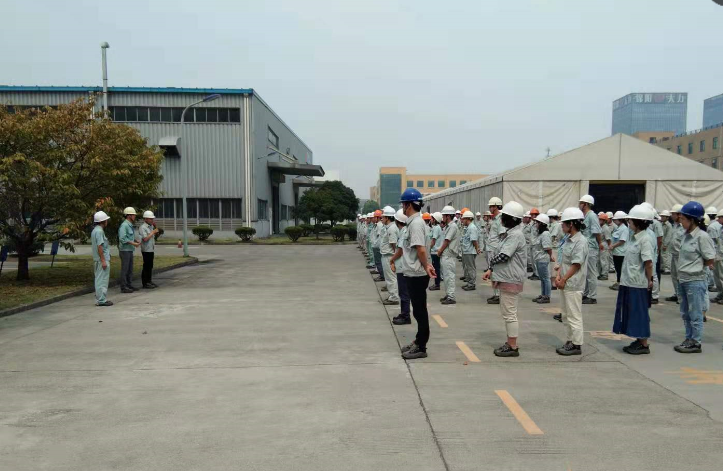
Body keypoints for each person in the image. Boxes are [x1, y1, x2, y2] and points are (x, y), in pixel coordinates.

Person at [390, 189, 436, 359]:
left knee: (419, 311)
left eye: (403, 204)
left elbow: (421, 250)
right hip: (414, 273)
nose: (402, 206)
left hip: (417, 274)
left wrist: (425, 266)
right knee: (417, 310)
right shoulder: (414, 223)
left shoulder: (416, 224)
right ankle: (418, 341)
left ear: (408, 205)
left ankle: (421, 346)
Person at [482, 201, 526, 357]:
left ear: (511, 219)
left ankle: (512, 346)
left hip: (510, 278)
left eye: (504, 217)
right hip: (506, 277)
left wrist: (491, 263)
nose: (501, 219)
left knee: (510, 314)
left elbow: (503, 256)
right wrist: (491, 269)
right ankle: (510, 343)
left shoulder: (515, 235)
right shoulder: (510, 233)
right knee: (508, 312)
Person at [613, 205, 655, 355]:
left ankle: (644, 344)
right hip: (628, 281)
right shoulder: (633, 237)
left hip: (638, 283)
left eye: (630, 221)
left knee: (639, 313)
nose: (628, 223)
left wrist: (650, 280)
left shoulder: (645, 239)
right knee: (632, 313)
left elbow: (648, 262)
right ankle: (638, 340)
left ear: (638, 222)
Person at [674, 201, 716, 354]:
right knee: (685, 312)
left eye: (683, 219)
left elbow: (710, 259)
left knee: (695, 313)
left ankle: (696, 342)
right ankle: (688, 338)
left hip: (695, 280)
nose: (681, 221)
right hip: (683, 279)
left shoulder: (702, 237)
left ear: (692, 220)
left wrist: (695, 267)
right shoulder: (686, 235)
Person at [555, 208, 588, 355]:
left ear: (572, 224)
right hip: (565, 282)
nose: (562, 226)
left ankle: (576, 344)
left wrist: (564, 279)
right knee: (565, 315)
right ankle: (569, 340)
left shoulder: (581, 241)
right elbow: (564, 260)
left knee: (574, 315)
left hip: (573, 284)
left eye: (564, 223)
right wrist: (558, 276)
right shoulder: (568, 239)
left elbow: (576, 264)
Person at [579, 195, 602, 304]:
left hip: (591, 247)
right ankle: (586, 293)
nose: (579, 205)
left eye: (581, 203)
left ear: (586, 204)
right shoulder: (584, 216)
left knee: (591, 273)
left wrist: (600, 243)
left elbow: (597, 232)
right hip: (585, 246)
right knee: (586, 272)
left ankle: (592, 296)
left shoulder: (592, 216)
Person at [390, 210, 411, 325]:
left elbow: (400, 250)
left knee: (404, 293)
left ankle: (406, 316)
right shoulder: (404, 231)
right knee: (403, 292)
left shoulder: (403, 232)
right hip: (402, 266)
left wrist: (392, 259)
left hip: (403, 267)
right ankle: (403, 313)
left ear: (398, 221)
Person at [438, 205, 460, 304]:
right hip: (446, 255)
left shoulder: (452, 226)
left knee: (449, 276)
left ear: (448, 216)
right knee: (446, 276)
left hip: (449, 255)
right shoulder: (449, 226)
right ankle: (448, 294)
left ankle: (451, 297)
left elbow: (447, 241)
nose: (442, 217)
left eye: (444, 216)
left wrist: (439, 251)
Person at [379, 206, 400, 306]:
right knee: (389, 277)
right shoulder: (388, 227)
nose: (381, 219)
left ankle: (394, 297)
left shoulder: (391, 228)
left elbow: (394, 245)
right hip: (386, 255)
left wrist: (394, 259)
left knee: (391, 278)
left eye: (383, 217)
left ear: (387, 218)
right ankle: (392, 295)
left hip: (389, 256)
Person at [91, 211, 113, 307]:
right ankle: (101, 300)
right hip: (101, 260)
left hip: (98, 259)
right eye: (106, 220)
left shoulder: (95, 230)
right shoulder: (99, 231)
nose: (107, 221)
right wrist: (103, 260)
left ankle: (100, 298)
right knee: (102, 280)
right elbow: (100, 246)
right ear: (102, 221)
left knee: (99, 279)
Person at [531, 213, 553, 303]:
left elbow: (548, 248)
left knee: (546, 278)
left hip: (543, 258)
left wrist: (551, 256)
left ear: (542, 223)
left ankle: (547, 296)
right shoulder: (540, 233)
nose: (536, 224)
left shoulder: (545, 234)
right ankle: (543, 294)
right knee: (542, 278)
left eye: (537, 222)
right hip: (539, 258)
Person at [665, 204, 685, 303]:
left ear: (679, 215)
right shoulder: (674, 225)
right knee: (674, 276)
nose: (672, 216)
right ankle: (677, 294)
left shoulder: (684, 227)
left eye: (673, 214)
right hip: (673, 254)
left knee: (680, 276)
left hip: (681, 256)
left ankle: (682, 297)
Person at [118, 207, 141, 293]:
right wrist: (133, 243)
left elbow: (129, 236)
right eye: (133, 215)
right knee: (125, 269)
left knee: (130, 269)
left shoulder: (129, 225)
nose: (134, 216)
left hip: (129, 250)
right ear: (128, 216)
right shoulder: (124, 225)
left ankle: (129, 285)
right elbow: (122, 238)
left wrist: (135, 240)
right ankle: (124, 287)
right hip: (124, 250)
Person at [486, 197, 504, 304]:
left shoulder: (500, 219)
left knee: (496, 272)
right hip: (491, 248)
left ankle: (498, 295)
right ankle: (495, 293)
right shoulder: (494, 219)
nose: (490, 208)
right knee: (492, 273)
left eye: (492, 206)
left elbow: (502, 235)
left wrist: (498, 250)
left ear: (496, 206)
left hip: (495, 249)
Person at [461, 210, 481, 291]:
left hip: (470, 251)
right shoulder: (468, 227)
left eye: (464, 219)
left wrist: (477, 249)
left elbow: (474, 240)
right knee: (469, 268)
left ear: (468, 219)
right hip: (467, 250)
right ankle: (469, 282)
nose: (462, 221)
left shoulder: (472, 228)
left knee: (471, 268)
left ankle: (472, 284)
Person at [139, 210, 159, 289]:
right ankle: (145, 282)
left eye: (152, 219)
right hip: (146, 250)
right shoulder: (143, 227)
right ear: (146, 219)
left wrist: (155, 229)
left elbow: (154, 236)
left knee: (150, 266)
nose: (152, 220)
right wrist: (152, 232)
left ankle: (149, 281)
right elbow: (145, 239)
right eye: (150, 219)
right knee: (146, 266)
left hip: (151, 249)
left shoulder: (151, 226)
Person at [706, 207, 723, 302]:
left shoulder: (715, 227)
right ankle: (720, 294)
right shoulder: (720, 228)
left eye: (720, 217)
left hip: (721, 255)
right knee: (717, 276)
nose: (718, 219)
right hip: (719, 254)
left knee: (722, 276)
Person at [609, 211, 629, 291]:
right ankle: (618, 282)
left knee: (620, 269)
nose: (614, 221)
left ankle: (621, 283)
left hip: (621, 253)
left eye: (615, 220)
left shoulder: (624, 229)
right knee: (618, 269)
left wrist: (612, 246)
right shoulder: (619, 228)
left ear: (620, 220)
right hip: (617, 252)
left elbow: (622, 241)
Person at [429, 212, 444, 291]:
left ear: (435, 220)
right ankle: (436, 283)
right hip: (435, 251)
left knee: (436, 268)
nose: (431, 220)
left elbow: (433, 241)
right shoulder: (436, 227)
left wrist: (428, 249)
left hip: (435, 251)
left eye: (432, 218)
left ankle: (437, 284)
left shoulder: (436, 228)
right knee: (436, 267)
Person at [597, 212, 612, 281]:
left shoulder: (605, 228)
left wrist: (609, 247)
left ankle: (605, 274)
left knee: (604, 260)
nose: (599, 221)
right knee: (599, 260)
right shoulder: (600, 227)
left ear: (604, 221)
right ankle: (601, 273)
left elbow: (608, 239)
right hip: (600, 244)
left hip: (604, 245)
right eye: (599, 219)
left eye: (601, 219)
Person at [372, 209, 385, 281]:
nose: (373, 218)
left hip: (378, 247)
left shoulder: (379, 225)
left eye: (375, 217)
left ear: (378, 217)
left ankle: (382, 276)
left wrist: (376, 245)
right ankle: (381, 275)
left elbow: (379, 237)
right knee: (378, 262)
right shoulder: (377, 225)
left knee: (379, 262)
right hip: (376, 246)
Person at [660, 210, 673, 274]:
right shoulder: (662, 224)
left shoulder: (669, 225)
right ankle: (663, 268)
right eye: (661, 216)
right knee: (662, 255)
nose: (662, 217)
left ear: (667, 217)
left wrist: (665, 244)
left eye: (663, 216)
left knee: (666, 255)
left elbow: (668, 235)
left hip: (666, 243)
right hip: (662, 242)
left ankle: (667, 269)